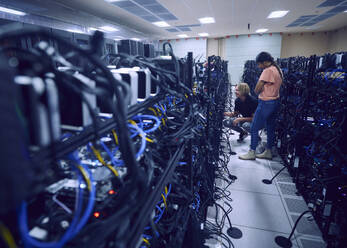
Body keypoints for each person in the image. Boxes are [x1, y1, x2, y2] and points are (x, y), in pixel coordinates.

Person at [239, 52, 283, 160]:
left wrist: (260, 87)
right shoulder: (277, 69)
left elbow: (257, 89)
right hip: (275, 101)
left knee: (253, 127)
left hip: (266, 103)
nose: (258, 67)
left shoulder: (267, 71)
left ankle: (252, 152)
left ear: (264, 62)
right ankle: (268, 151)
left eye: (259, 64)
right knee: (270, 128)